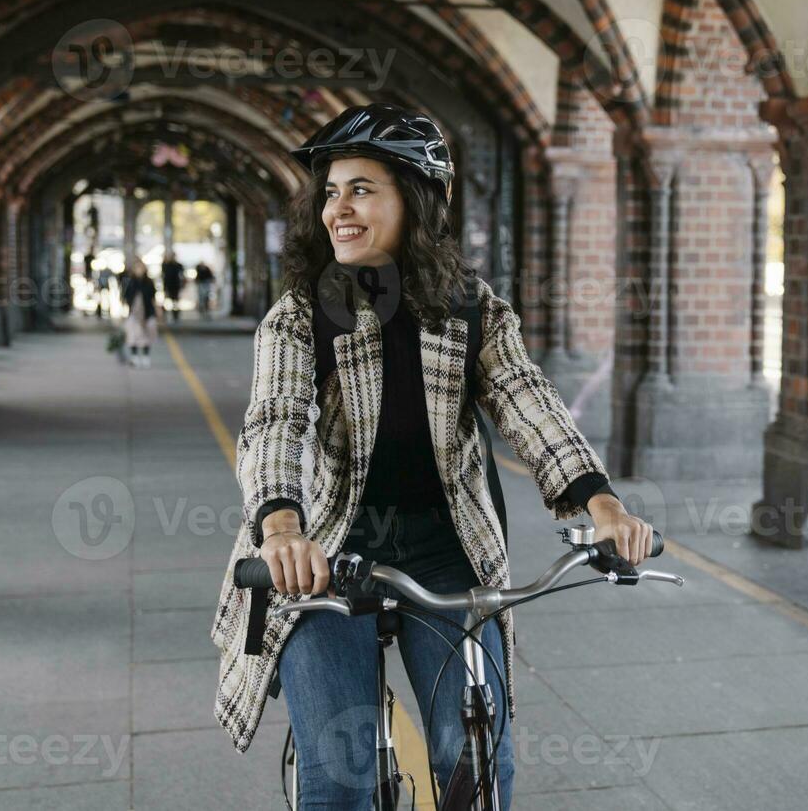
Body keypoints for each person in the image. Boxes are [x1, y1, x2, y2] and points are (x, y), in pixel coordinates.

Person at [209, 104, 655, 809]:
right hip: (322, 555)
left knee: (472, 756)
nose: (338, 208)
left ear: (416, 201)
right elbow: (274, 422)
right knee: (343, 772)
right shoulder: (300, 315)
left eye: (361, 189)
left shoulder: (471, 310)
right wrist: (280, 529)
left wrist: (598, 504)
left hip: (447, 553)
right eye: (330, 191)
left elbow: (526, 399)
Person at [119, 259, 160, 368]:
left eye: (141, 268)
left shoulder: (149, 282)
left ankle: (146, 357)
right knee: (133, 336)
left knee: (146, 335)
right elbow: (125, 298)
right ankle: (135, 357)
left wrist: (158, 311)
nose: (139, 270)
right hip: (133, 313)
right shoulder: (130, 282)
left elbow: (153, 298)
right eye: (137, 268)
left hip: (148, 312)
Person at [162, 254, 186, 322]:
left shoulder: (178, 265)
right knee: (167, 301)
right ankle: (167, 314)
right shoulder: (166, 265)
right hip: (169, 286)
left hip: (175, 286)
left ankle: (175, 314)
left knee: (175, 301)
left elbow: (182, 275)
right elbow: (164, 276)